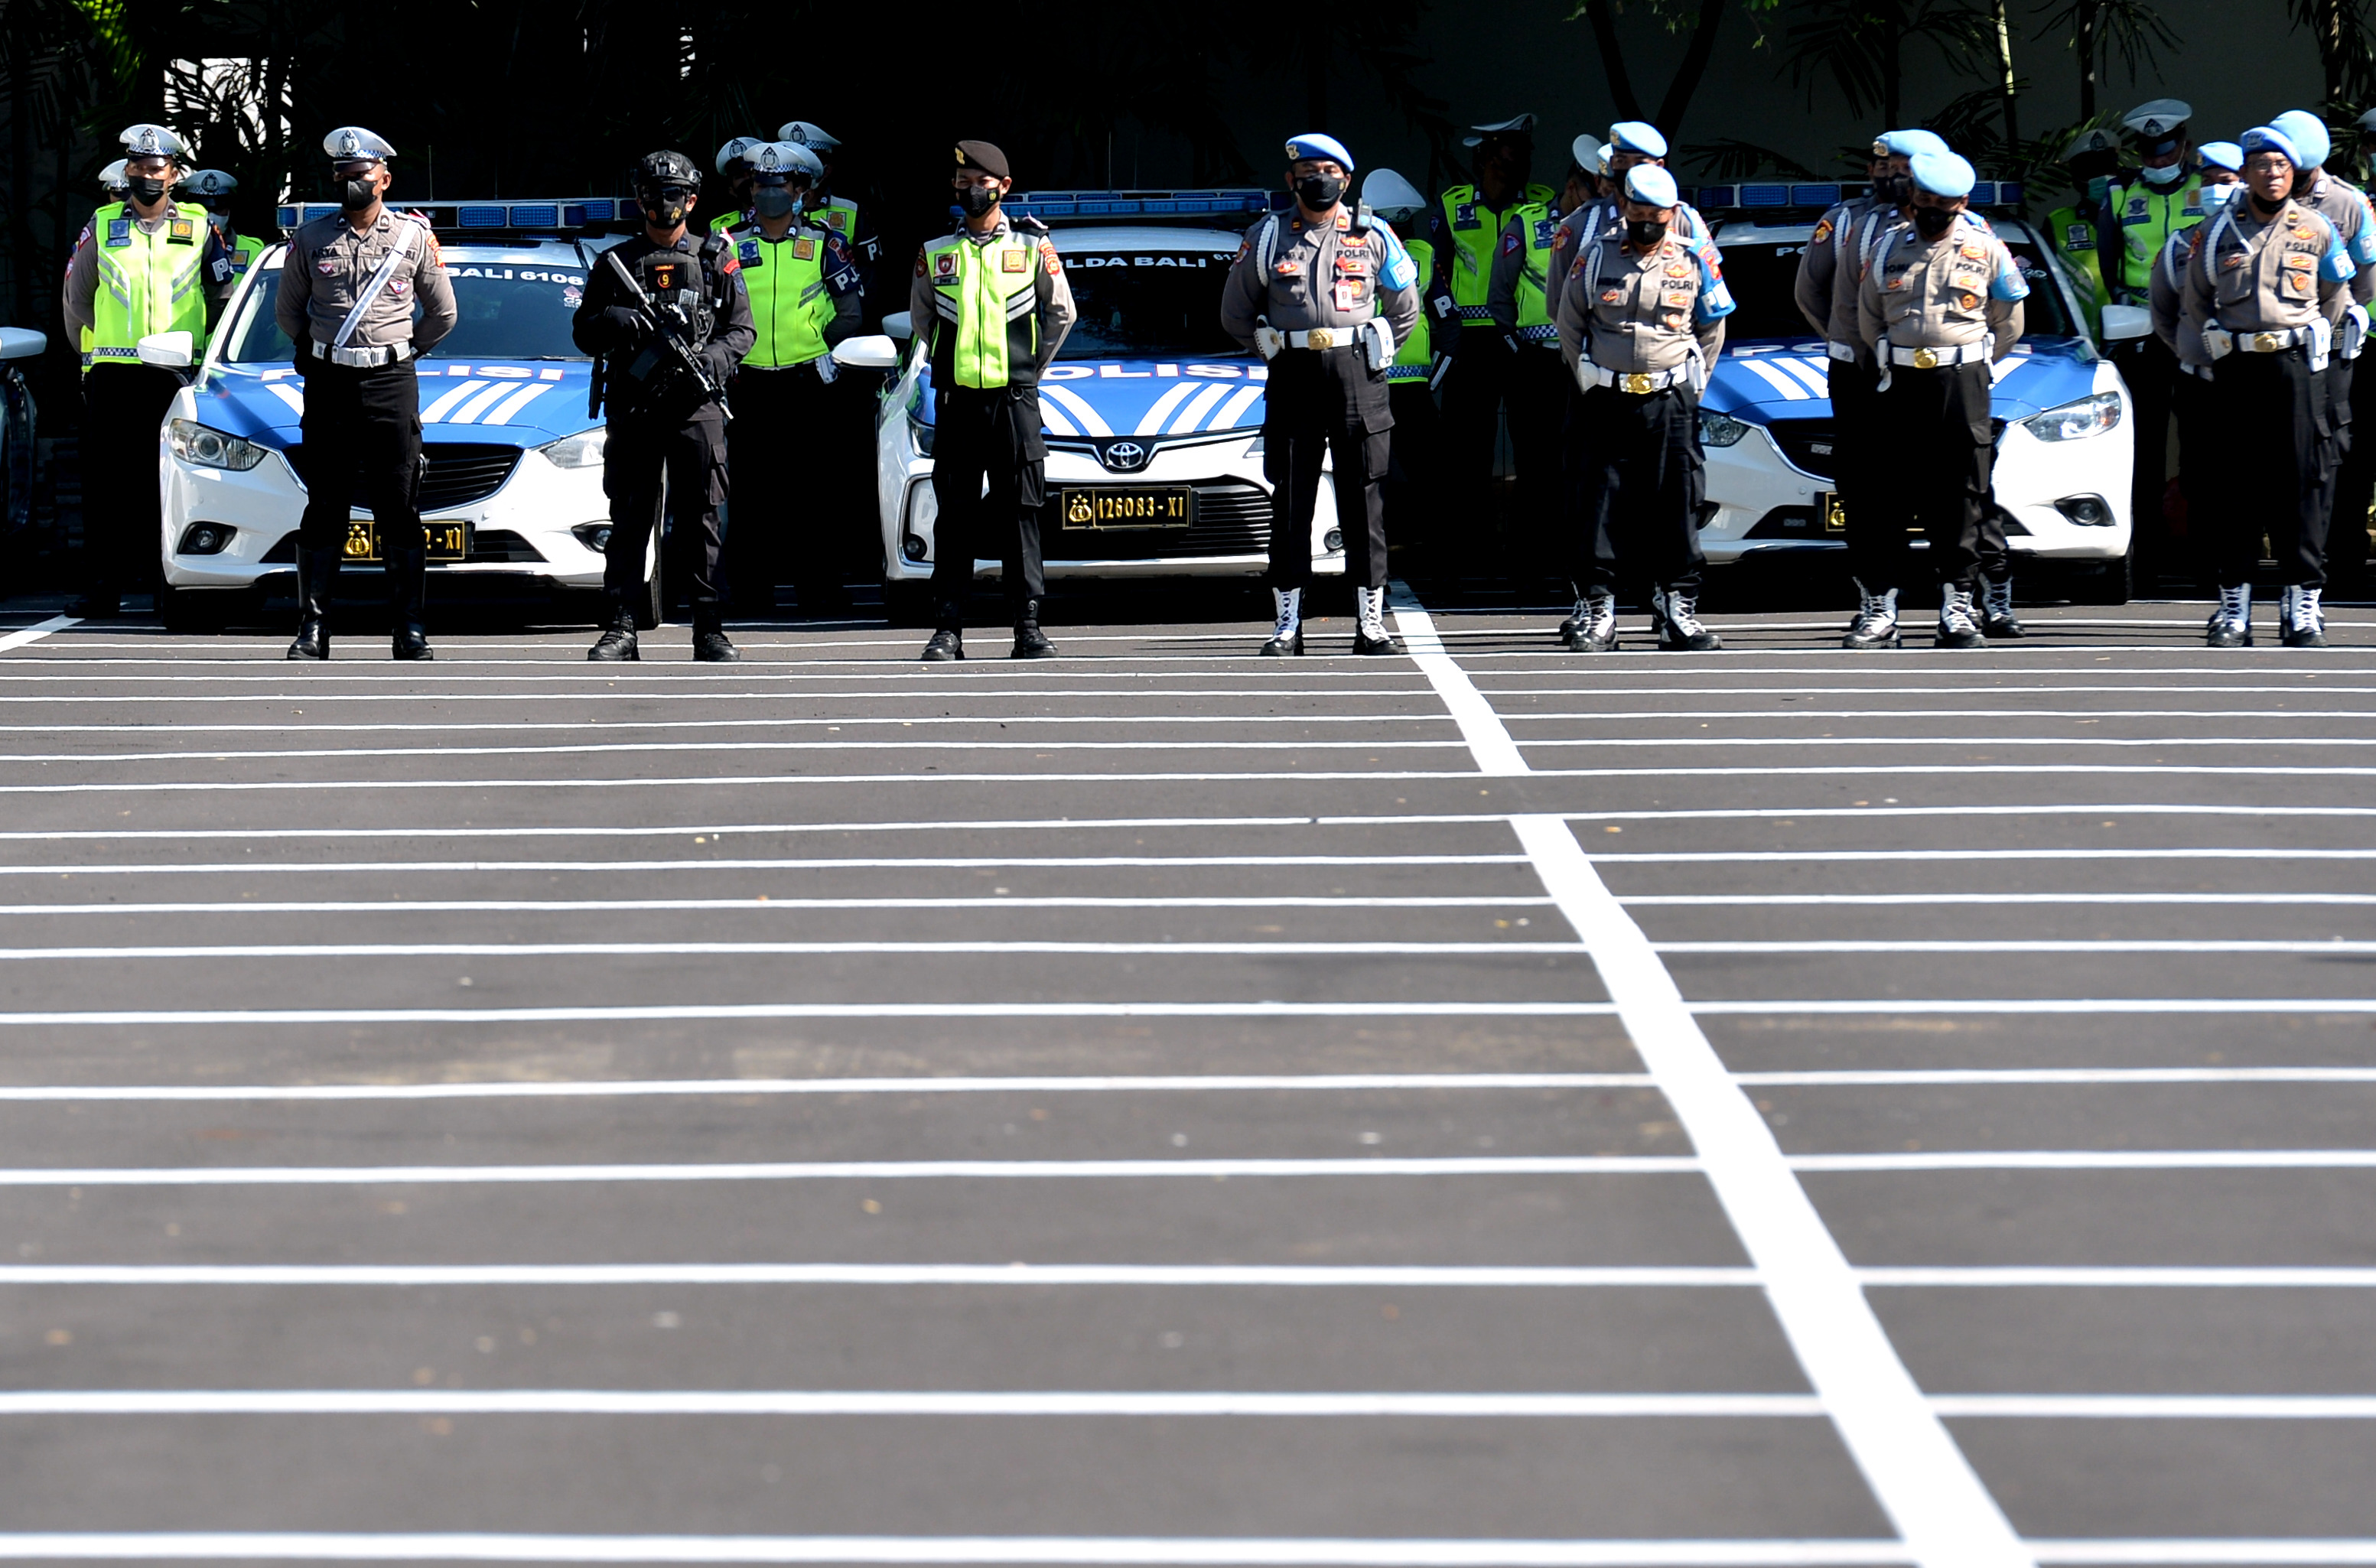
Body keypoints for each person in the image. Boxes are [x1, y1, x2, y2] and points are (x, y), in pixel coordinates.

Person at [1221, 132, 1421, 656]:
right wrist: (1269, 348)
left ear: (1346, 180)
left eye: (1329, 172)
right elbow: (1234, 312)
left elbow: (1405, 306)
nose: (1318, 181)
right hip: (1293, 376)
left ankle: (1371, 624)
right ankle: (1287, 625)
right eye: (1307, 173)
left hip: (1358, 374)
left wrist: (1378, 348)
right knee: (1291, 502)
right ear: (1291, 181)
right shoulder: (1267, 237)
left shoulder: (1374, 234)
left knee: (1364, 500)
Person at [272, 126, 456, 661]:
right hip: (329, 382)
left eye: (362, 175)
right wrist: (314, 348)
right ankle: (313, 628)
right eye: (344, 175)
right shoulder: (310, 239)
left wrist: (401, 351)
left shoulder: (413, 238)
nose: (352, 183)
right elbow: (288, 310)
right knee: (325, 503)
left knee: (398, 505)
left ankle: (409, 629)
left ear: (385, 179)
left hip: (390, 382)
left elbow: (443, 313)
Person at [576, 148, 756, 663]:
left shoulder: (715, 258)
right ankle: (621, 626)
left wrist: (711, 363)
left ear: (692, 200)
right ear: (639, 199)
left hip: (695, 404)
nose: (663, 203)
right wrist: (613, 319)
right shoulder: (616, 265)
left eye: (674, 194)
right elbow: (583, 333)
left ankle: (709, 629)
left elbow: (741, 330)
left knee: (701, 517)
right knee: (630, 518)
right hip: (635, 406)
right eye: (654, 193)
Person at [2179, 124, 2355, 648]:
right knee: (2234, 487)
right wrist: (2206, 355)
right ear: (2248, 171)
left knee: (2302, 485)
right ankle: (2234, 607)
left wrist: (2322, 350)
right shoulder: (2215, 232)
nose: (2272, 175)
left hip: (2297, 369)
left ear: (2292, 171)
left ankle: (2302, 607)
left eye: (2281, 166)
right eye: (2261, 166)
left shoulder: (2317, 228)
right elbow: (2194, 302)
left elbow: (2337, 296)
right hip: (2235, 370)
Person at [1551, 162, 1733, 652]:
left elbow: (1712, 327)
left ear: (1673, 213)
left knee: (1676, 502)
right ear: (1624, 208)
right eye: (1638, 211)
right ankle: (1599, 614)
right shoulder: (1594, 255)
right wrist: (1586, 373)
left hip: (1670, 398)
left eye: (1657, 213)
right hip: (1606, 398)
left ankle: (1679, 612)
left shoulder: (1693, 260)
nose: (1646, 221)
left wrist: (1695, 384)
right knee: (1600, 503)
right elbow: (1569, 320)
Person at [60, 122, 236, 619]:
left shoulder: (200, 227)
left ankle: (170, 587)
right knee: (107, 486)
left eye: (155, 168)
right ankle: (103, 588)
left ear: (174, 174)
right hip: (114, 374)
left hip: (176, 377)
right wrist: (90, 358)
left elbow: (223, 298)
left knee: (174, 483)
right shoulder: (103, 222)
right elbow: (77, 299)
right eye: (137, 168)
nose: (145, 176)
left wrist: (208, 366)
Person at [1854, 148, 2029, 649]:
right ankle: (1881, 609)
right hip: (1901, 384)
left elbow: (2008, 322)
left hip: (1963, 383)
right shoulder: (1888, 247)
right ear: (1913, 198)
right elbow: (1869, 317)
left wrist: (1972, 360)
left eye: (1944, 202)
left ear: (1962, 203)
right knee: (1886, 498)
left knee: (1961, 502)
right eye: (1925, 199)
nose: (1933, 209)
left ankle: (1957, 607)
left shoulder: (1986, 249)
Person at [910, 140, 1077, 661]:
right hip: (958, 404)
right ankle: (947, 630)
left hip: (1014, 403)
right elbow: (923, 321)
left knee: (1021, 516)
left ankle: (1027, 629)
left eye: (980, 182)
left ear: (1003, 187)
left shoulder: (1032, 248)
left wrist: (1026, 369)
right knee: (954, 518)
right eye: (962, 182)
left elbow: (1061, 315)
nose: (970, 190)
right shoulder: (936, 252)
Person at [721, 141, 863, 617]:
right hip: (748, 386)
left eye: (779, 185)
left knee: (815, 494)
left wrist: (823, 346)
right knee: (748, 495)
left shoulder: (825, 243)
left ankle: (820, 592)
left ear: (800, 189)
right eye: (760, 185)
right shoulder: (730, 244)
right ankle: (749, 594)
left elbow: (850, 312)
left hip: (808, 386)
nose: (768, 194)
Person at [1792, 131, 1922, 633]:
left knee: (1940, 481)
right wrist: (1847, 341)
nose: (1889, 175)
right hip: (1859, 374)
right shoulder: (1844, 221)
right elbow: (1810, 293)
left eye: (1902, 167)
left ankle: (1966, 598)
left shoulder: (1960, 227)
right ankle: (1877, 595)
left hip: (1923, 374)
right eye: (1882, 166)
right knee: (1866, 487)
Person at [1429, 115, 1551, 574]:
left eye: (1522, 156)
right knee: (1466, 449)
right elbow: (1436, 272)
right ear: (1484, 158)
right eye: (1506, 156)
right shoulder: (1452, 204)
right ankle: (1468, 551)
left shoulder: (1543, 205)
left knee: (1535, 447)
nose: (1516, 165)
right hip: (1472, 342)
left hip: (1522, 341)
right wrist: (1448, 331)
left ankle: (1531, 550)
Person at [2271, 109, 2376, 600]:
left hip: (2335, 351)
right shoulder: (2258, 202)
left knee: (2339, 451)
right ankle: (2291, 561)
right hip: (2279, 351)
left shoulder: (2348, 204)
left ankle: (2344, 561)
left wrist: (2336, 332)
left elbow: (2364, 282)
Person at [2099, 99, 2200, 581]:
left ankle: (2203, 547)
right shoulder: (2119, 193)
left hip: (2198, 329)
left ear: (2183, 144)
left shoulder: (2211, 188)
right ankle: (2150, 551)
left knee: (2204, 439)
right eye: (2150, 153)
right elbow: (2109, 263)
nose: (2158, 161)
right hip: (2142, 330)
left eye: (2166, 151)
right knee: (2146, 441)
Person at [1486, 145, 1596, 579]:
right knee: (1534, 465)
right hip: (1535, 365)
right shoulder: (1528, 224)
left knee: (1582, 462)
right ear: (1572, 187)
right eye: (1591, 191)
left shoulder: (1606, 228)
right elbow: (1500, 298)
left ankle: (1578, 558)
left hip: (1584, 367)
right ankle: (1529, 563)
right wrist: (1518, 353)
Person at [2149, 142, 2244, 584]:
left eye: (2224, 182)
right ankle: (2207, 567)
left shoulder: (2266, 241)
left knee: (2257, 472)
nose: (2213, 190)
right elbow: (2164, 313)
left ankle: (2254, 567)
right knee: (2201, 476)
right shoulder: (2182, 245)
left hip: (2254, 379)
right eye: (2207, 182)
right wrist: (2190, 350)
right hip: (2200, 380)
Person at [1362, 170, 1458, 569]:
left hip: (1401, 386)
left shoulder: (1419, 252)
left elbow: (1448, 321)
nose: (1400, 234)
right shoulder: (1358, 250)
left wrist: (1432, 377)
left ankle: (1438, 556)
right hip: (1375, 385)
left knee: (1428, 476)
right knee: (1378, 477)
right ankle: (1378, 556)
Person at [780, 122, 881, 287]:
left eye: (809, 160)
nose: (799, 169)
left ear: (827, 169)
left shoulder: (851, 211)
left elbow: (869, 273)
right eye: (794, 161)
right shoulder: (772, 211)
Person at [2045, 127, 2121, 317]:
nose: (2102, 177)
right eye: (2092, 172)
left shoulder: (2136, 215)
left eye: (2107, 169)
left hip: (2139, 339)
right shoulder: (2057, 224)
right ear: (2076, 180)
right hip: (2081, 342)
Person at [181, 168, 262, 285]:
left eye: (218, 209)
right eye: (201, 210)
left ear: (229, 209)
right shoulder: (173, 248)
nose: (210, 216)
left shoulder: (254, 251)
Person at [708, 137, 763, 235]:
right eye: (740, 176)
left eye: (751, 173)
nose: (747, 179)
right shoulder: (718, 227)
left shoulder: (784, 217)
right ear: (731, 190)